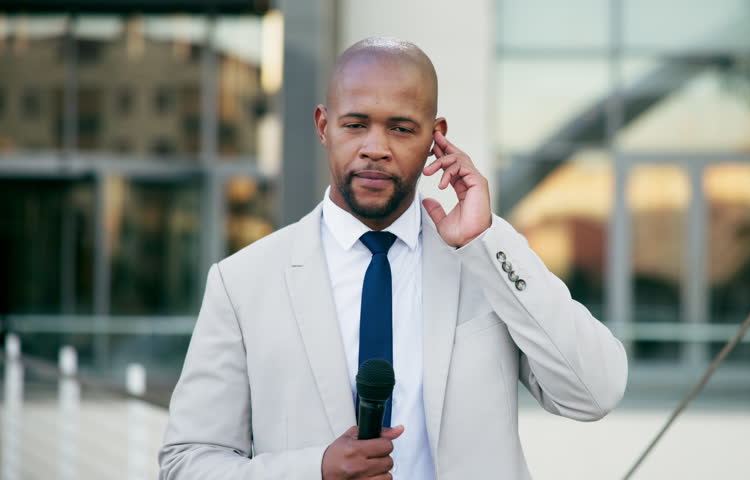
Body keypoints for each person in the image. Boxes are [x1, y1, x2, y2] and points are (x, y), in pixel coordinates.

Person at [159, 37, 628, 480]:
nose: (376, 148)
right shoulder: (242, 282)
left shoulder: (483, 263)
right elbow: (188, 462)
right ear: (324, 126)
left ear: (435, 137)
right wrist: (314, 469)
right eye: (356, 124)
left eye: (401, 128)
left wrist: (488, 241)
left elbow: (595, 392)